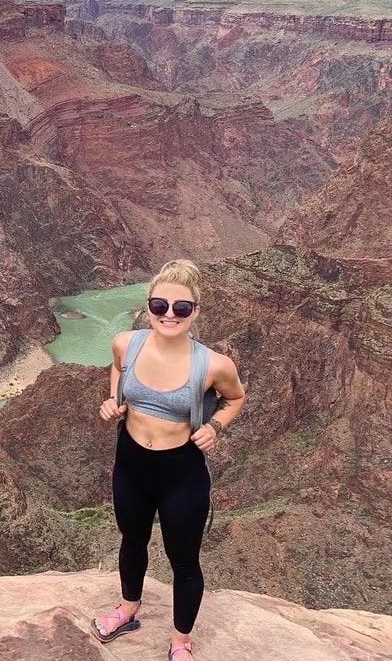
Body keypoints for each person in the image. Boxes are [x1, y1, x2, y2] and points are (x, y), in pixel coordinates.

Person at [90, 259, 246, 661]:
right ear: (148, 305)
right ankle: (128, 610)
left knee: (184, 560)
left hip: (182, 474)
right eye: (160, 306)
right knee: (132, 540)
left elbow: (236, 398)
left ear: (196, 311)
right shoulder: (126, 343)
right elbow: (117, 367)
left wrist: (216, 426)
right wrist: (115, 400)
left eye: (181, 307)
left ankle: (180, 641)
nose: (169, 315)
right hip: (131, 465)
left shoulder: (213, 365)